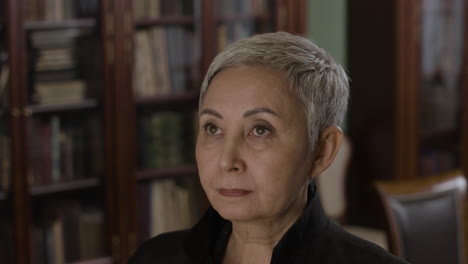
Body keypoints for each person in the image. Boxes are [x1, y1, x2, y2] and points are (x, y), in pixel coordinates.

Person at [129, 32, 408, 264]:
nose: (227, 161)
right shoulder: (154, 257)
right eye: (213, 128)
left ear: (322, 151)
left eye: (260, 130)